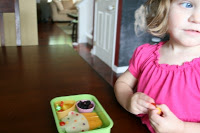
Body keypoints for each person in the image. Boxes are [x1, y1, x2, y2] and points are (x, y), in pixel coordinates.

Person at [114, 0, 200, 133]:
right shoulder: (145, 54)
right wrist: (128, 100)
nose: (197, 18)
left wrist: (182, 128)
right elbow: (123, 82)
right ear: (165, 8)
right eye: (188, 4)